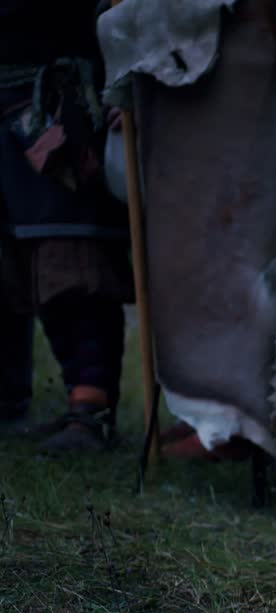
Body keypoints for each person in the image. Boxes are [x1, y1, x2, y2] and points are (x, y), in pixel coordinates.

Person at [0, 0, 132, 452]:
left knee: (69, 255)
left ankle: (89, 407)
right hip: (12, 92)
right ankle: (13, 401)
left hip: (63, 92)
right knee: (15, 258)